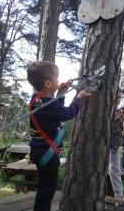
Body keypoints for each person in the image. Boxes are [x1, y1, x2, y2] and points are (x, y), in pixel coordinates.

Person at [27, 61, 90, 211]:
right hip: (47, 154)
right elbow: (67, 113)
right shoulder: (46, 103)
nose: (59, 81)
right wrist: (78, 98)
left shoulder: (37, 100)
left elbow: (55, 113)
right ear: (48, 83)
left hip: (40, 151)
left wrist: (60, 94)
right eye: (57, 78)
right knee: (46, 192)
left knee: (44, 190)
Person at [109, 88, 124, 201]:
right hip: (106, 145)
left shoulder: (118, 111)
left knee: (115, 169)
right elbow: (106, 125)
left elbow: (123, 128)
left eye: (120, 97)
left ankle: (119, 195)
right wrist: (119, 119)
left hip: (115, 145)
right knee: (108, 170)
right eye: (116, 97)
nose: (118, 100)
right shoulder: (106, 109)